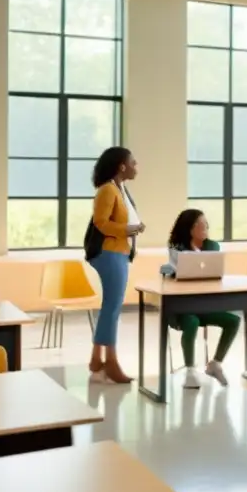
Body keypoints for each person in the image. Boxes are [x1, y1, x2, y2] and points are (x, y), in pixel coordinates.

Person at [164, 209, 240, 389]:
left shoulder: (213, 246)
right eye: (201, 224)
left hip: (205, 305)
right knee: (191, 321)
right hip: (182, 308)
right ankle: (190, 371)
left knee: (233, 321)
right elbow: (173, 274)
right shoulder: (177, 248)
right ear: (190, 228)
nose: (206, 227)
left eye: (206, 223)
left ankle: (215, 364)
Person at [86, 146, 143, 385]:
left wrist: (134, 228)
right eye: (132, 161)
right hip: (109, 253)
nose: (135, 165)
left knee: (110, 307)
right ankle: (111, 361)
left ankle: (97, 359)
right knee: (113, 308)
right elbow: (101, 223)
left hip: (119, 252)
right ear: (121, 165)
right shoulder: (108, 190)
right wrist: (128, 230)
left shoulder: (121, 189)